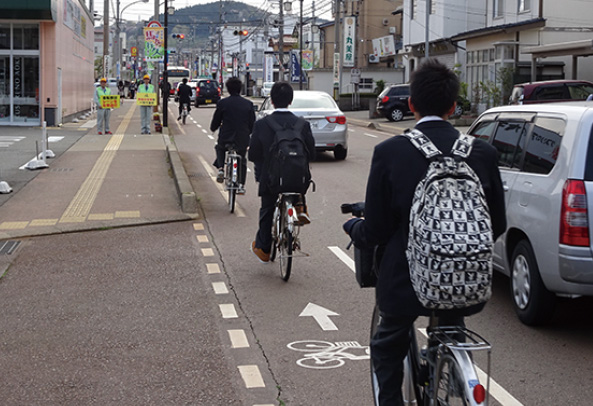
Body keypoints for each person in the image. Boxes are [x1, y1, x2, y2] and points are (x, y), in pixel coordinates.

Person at [343, 59, 507, 406]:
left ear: (412, 104)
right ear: (453, 106)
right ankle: (451, 374)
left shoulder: (390, 152)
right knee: (451, 326)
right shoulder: (483, 153)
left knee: (386, 345)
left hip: (404, 282)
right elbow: (498, 223)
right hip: (464, 282)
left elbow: (376, 228)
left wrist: (356, 228)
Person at [248, 81, 315, 263]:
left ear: (272, 100)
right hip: (297, 180)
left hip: (271, 179)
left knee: (267, 208)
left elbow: (253, 154)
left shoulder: (262, 125)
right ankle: (299, 206)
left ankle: (263, 247)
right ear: (290, 101)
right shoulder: (302, 124)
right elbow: (311, 152)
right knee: (295, 185)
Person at [210, 77, 255, 192]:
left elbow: (216, 120)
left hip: (226, 136)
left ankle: (220, 169)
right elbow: (252, 123)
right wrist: (248, 133)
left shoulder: (223, 103)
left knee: (219, 148)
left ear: (228, 89)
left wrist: (213, 128)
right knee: (242, 159)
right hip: (242, 137)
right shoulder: (248, 104)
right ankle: (241, 185)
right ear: (240, 89)